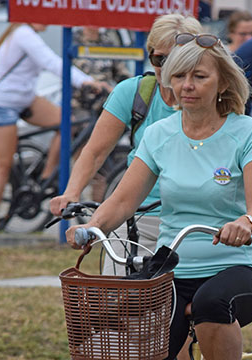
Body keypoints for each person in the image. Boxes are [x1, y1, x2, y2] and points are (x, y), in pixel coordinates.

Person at [66, 33, 252, 360]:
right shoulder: (160, 134)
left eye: (199, 76)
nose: (186, 85)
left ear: (222, 82)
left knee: (213, 303)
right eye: (179, 76)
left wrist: (246, 222)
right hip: (174, 269)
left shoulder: (245, 131)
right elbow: (124, 199)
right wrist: (93, 226)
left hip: (237, 266)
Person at [50, 14, 203, 254]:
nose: (167, 68)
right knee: (117, 273)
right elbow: (95, 151)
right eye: (159, 59)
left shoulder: (209, 99)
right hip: (138, 213)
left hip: (193, 218)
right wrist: (72, 192)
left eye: (176, 59)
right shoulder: (134, 92)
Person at [0, 22, 106, 233]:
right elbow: (52, 62)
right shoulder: (23, 33)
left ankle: (45, 177)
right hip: (3, 103)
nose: (47, 22)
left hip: (25, 99)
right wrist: (86, 82)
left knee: (67, 122)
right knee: (3, 164)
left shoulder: (26, 33)